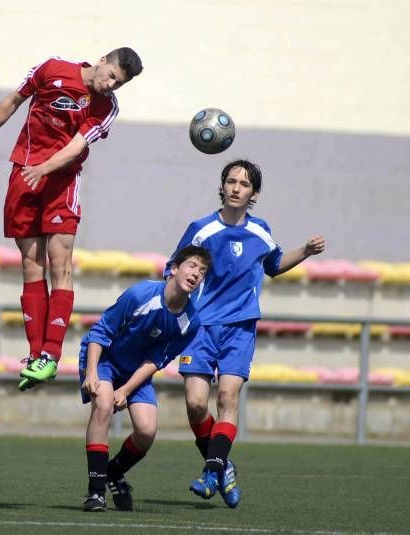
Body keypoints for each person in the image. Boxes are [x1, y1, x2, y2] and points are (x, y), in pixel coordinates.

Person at [0, 48, 143, 391]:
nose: (112, 85)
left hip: (61, 181)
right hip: (23, 172)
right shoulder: (51, 68)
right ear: (102, 60)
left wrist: (43, 169)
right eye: (112, 75)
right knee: (30, 264)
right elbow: (13, 101)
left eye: (120, 83)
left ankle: (51, 354)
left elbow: (75, 146)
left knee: (61, 265)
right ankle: (36, 353)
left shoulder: (106, 107)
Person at [165, 159, 325, 508]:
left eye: (245, 183)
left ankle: (211, 471)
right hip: (200, 327)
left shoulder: (260, 231)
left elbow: (275, 265)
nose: (237, 188)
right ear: (222, 187)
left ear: (254, 193)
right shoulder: (201, 229)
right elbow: (173, 268)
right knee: (194, 403)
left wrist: (306, 252)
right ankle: (223, 464)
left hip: (240, 327)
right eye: (232, 181)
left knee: (227, 398)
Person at [79, 245, 212, 512]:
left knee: (147, 431)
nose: (196, 273)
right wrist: (92, 372)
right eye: (191, 266)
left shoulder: (190, 322)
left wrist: (126, 390)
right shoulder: (141, 294)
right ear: (174, 269)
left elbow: (155, 361)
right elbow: (100, 331)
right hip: (104, 359)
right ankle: (95, 493)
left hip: (135, 371)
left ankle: (114, 472)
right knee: (103, 406)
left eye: (202, 271)